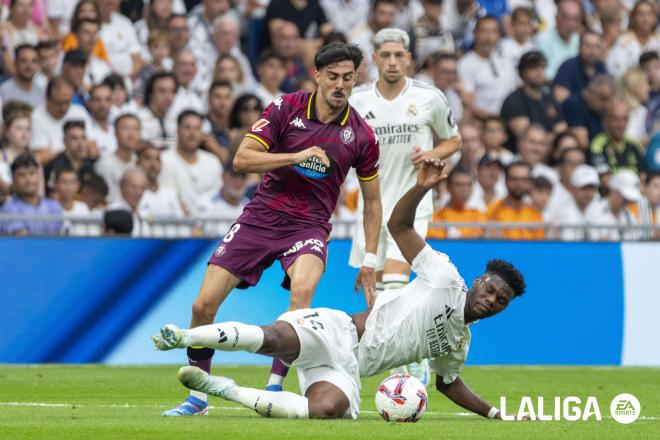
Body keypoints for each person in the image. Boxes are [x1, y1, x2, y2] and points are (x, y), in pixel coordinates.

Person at [152, 158, 526, 421]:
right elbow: (399, 228)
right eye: (491, 289)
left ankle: (223, 388)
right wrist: (421, 188)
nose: (492, 300)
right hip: (338, 331)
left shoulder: (459, 343)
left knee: (323, 411)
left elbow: (448, 383)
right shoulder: (445, 277)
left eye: (501, 301)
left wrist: (495, 414)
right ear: (479, 281)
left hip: (348, 370)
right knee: (276, 336)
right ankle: (185, 335)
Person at [161, 43, 382, 416]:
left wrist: (370, 260)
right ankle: (198, 398)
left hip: (309, 225)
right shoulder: (286, 108)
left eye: (348, 78)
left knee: (302, 294)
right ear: (317, 76)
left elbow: (373, 202)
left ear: (355, 79)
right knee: (202, 305)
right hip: (261, 216)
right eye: (333, 77)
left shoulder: (361, 135)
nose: (340, 85)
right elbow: (242, 158)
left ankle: (274, 385)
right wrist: (296, 156)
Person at [348, 28, 461, 384]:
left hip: (411, 208)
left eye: (400, 55)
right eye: (386, 55)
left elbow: (454, 140)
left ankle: (407, 368)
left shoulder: (430, 97)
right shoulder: (357, 100)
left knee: (396, 285)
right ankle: (407, 358)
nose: (393, 62)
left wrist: (432, 154)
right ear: (375, 58)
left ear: (409, 59)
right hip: (370, 208)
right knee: (376, 296)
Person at [159, 110, 223, 214]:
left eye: (197, 128)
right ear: (178, 130)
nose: (192, 133)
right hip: (174, 224)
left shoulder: (212, 161)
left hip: (210, 224)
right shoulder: (163, 160)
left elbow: (218, 196)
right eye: (187, 128)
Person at [500, 51, 565, 146]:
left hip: (550, 150)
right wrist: (554, 136)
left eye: (542, 67)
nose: (539, 72)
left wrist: (555, 137)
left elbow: (562, 128)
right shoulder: (514, 101)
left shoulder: (549, 97)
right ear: (522, 73)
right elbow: (527, 138)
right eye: (533, 68)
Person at [457, 15, 516, 120]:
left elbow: (514, 90)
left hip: (509, 120)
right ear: (475, 34)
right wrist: (495, 119)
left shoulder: (505, 60)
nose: (489, 37)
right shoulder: (465, 64)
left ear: (499, 35)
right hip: (482, 122)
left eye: (494, 31)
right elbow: (468, 104)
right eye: (484, 31)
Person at [29, 76, 91, 164]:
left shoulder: (80, 111)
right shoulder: (36, 116)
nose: (63, 108)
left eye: (67, 102)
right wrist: (73, 151)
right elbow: (40, 156)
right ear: (48, 98)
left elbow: (92, 147)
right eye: (59, 103)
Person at [1, 153, 62, 235]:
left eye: (32, 173)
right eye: (22, 175)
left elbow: (59, 238)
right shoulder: (8, 208)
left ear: (39, 176)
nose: (28, 179)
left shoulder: (53, 206)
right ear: (13, 180)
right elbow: (22, 241)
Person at [487, 160, 545, 240]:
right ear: (506, 182)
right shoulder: (493, 211)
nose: (519, 184)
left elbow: (540, 246)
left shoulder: (535, 214)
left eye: (524, 180)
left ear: (530, 183)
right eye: (514, 179)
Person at [427, 165, 486, 239]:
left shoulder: (478, 215)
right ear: (448, 187)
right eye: (459, 185)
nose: (465, 189)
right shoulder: (437, 218)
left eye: (468, 184)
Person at [590, 100, 645, 177]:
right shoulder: (598, 145)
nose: (621, 125)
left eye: (624, 119)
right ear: (606, 120)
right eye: (616, 119)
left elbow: (643, 176)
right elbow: (604, 179)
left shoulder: (635, 145)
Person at [94, 114, 141, 202]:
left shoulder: (141, 162)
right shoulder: (104, 164)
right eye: (126, 129)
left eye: (136, 129)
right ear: (115, 133)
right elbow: (107, 199)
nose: (131, 135)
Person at [562, 74, 616, 150]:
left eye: (609, 101)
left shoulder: (602, 109)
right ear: (591, 92)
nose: (606, 105)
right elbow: (583, 143)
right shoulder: (574, 104)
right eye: (603, 99)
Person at [547, 164, 599, 241]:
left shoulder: (597, 209)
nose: (588, 193)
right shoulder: (562, 213)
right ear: (572, 189)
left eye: (591, 188)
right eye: (584, 188)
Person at [553, 31, 607, 104]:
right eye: (588, 46)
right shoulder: (568, 67)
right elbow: (560, 98)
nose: (593, 51)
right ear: (579, 47)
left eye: (597, 46)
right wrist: (586, 96)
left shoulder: (601, 67)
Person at [533, 0, 582, 79]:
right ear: (557, 18)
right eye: (567, 18)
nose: (571, 24)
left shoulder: (580, 40)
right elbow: (541, 74)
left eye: (576, 19)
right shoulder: (542, 39)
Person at [43, 119, 95, 193]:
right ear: (64, 141)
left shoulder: (89, 163)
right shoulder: (55, 166)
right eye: (74, 138)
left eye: (83, 138)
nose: (80, 143)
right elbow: (51, 196)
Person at [0, 44, 44, 108]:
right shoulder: (2, 91)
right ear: (15, 63)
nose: (29, 66)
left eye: (34, 61)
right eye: (24, 61)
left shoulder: (42, 91)